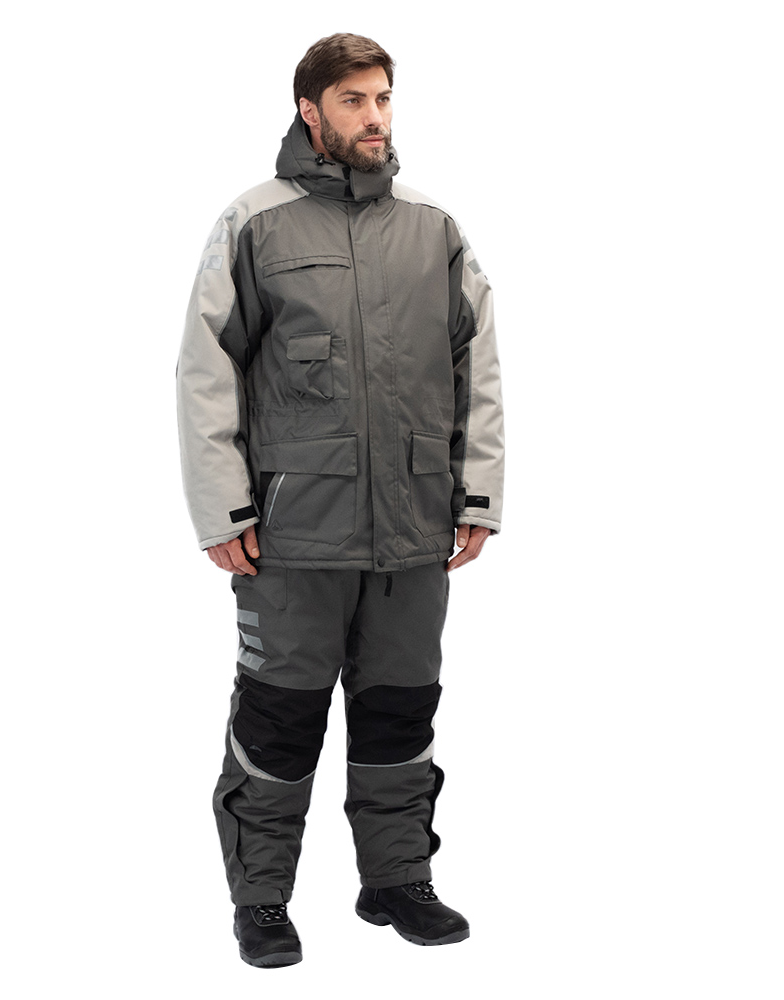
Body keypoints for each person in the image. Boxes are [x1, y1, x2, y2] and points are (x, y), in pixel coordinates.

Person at [176, 33, 504, 968]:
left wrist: (477, 492)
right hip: (292, 535)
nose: (374, 117)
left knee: (401, 711)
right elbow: (206, 370)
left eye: (384, 98)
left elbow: (476, 364)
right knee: (279, 719)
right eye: (354, 100)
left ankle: (397, 880)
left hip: (413, 530)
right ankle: (262, 899)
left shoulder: (433, 228)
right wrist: (222, 509)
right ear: (309, 110)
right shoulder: (257, 222)